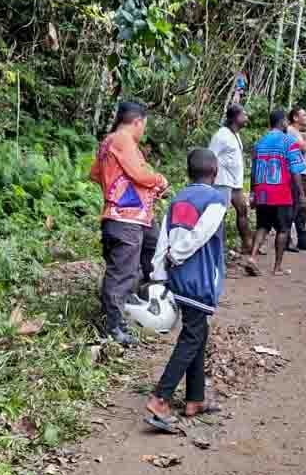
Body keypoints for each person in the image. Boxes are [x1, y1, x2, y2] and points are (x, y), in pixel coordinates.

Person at [144, 149, 227, 433]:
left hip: (177, 278)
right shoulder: (215, 200)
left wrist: (159, 272)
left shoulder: (178, 199)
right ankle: (160, 398)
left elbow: (163, 237)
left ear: (188, 172)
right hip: (197, 278)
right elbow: (201, 233)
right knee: (192, 336)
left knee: (197, 331)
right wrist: (177, 255)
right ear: (214, 172)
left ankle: (195, 399)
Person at [90, 102, 169, 346]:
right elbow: (139, 174)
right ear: (137, 122)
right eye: (144, 125)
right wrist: (159, 180)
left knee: (155, 252)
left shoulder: (110, 142)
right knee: (121, 273)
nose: (143, 130)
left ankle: (143, 304)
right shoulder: (122, 139)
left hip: (135, 217)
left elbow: (96, 174)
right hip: (125, 218)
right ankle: (112, 327)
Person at [246, 110, 306, 276]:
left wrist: (252, 192)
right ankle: (277, 267)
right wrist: (301, 195)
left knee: (262, 226)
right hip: (281, 191)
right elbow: (295, 171)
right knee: (283, 229)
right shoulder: (289, 142)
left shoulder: (260, 143)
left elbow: (253, 171)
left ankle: (252, 258)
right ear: (283, 123)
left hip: (262, 191)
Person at [209, 104, 251, 255]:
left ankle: (247, 244)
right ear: (235, 117)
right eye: (243, 115)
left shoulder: (235, 134)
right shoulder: (221, 135)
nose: (246, 118)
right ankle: (217, 249)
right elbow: (211, 157)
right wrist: (210, 181)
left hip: (235, 183)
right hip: (222, 182)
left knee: (243, 210)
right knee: (220, 215)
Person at [285, 107, 306, 252]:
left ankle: (302, 239)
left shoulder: (296, 132)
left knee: (301, 208)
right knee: (295, 206)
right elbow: (304, 148)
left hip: (301, 174)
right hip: (295, 175)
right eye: (303, 115)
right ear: (295, 117)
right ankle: (286, 239)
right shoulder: (290, 131)